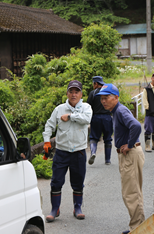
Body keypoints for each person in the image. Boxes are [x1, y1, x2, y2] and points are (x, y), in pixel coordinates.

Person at [96, 84, 145, 233]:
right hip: (129, 155)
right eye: (102, 98)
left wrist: (129, 145)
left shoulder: (121, 110)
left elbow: (136, 126)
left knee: (131, 194)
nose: (103, 101)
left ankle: (137, 229)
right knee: (133, 192)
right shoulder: (116, 111)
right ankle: (138, 227)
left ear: (116, 97)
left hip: (130, 154)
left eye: (106, 98)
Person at [42, 80, 93, 222]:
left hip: (79, 152)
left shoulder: (86, 107)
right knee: (56, 181)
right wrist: (47, 140)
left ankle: (77, 208)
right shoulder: (59, 109)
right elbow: (49, 125)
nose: (73, 94)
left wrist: (70, 117)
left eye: (76, 92)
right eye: (71, 91)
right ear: (67, 93)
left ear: (81, 94)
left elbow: (87, 119)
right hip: (62, 151)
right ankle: (54, 209)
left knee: (78, 181)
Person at [87, 76, 113, 165]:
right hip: (107, 117)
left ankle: (93, 152)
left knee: (94, 137)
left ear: (96, 84)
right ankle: (108, 160)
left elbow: (88, 107)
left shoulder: (93, 93)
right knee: (108, 139)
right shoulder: (108, 92)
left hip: (96, 118)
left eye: (93, 84)